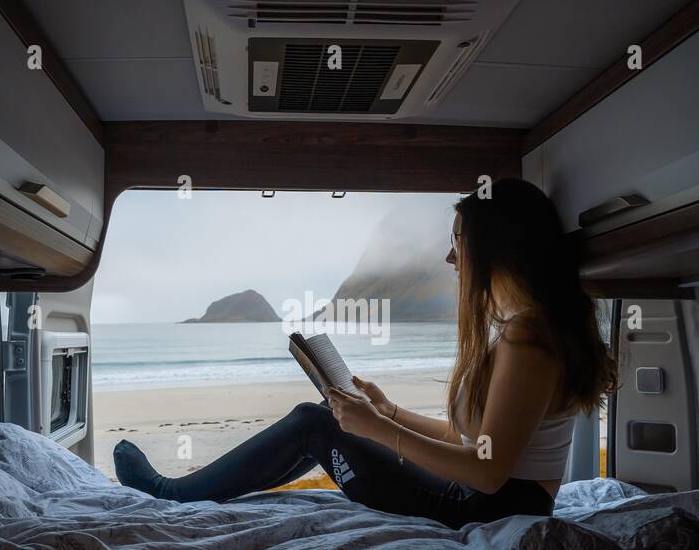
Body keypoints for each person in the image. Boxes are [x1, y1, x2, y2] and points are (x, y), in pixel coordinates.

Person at [112, 178, 616, 529]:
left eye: (459, 243)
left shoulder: (528, 340)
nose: (450, 257)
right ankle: (179, 493)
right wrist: (387, 411)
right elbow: (465, 440)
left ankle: (170, 495)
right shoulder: (521, 331)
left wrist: (377, 430)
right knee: (318, 425)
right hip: (483, 499)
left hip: (485, 509)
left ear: (497, 249)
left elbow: (487, 471)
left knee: (314, 424)